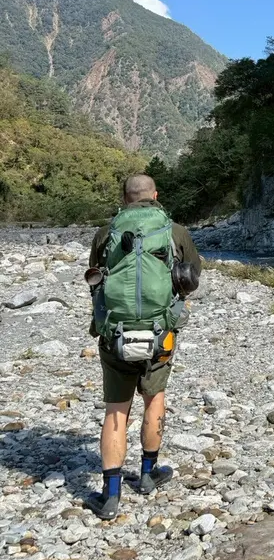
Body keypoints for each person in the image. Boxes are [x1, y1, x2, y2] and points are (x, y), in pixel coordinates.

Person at [85, 173, 201, 520]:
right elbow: (192, 276)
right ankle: (149, 474)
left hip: (115, 335)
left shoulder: (106, 233)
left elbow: (95, 280)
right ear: (155, 195)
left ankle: (110, 495)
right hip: (159, 334)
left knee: (116, 410)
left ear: (124, 198)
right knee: (155, 398)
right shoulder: (174, 231)